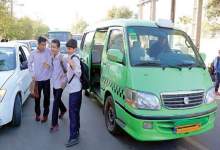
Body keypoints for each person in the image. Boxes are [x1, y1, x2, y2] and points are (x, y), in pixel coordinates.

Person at [28, 36, 52, 123]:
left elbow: (54, 49)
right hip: (37, 80)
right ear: (38, 44)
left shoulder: (48, 51)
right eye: (42, 45)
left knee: (46, 98)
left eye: (45, 45)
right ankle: (37, 114)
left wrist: (48, 40)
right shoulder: (33, 53)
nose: (44, 46)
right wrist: (32, 74)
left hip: (46, 80)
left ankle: (45, 115)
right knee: (37, 99)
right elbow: (29, 64)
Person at [65, 39, 82, 147]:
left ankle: (73, 137)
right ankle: (76, 131)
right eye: (67, 48)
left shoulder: (74, 59)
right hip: (74, 89)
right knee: (75, 112)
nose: (68, 50)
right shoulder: (71, 57)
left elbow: (79, 73)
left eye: (70, 49)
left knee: (72, 113)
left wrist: (72, 64)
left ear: (74, 48)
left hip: (75, 90)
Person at [50, 39, 67, 132]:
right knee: (58, 100)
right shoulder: (52, 57)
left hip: (60, 84)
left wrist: (63, 83)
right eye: (51, 46)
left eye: (54, 47)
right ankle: (63, 109)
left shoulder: (62, 58)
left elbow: (67, 71)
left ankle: (54, 124)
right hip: (54, 83)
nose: (52, 48)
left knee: (55, 103)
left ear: (58, 48)